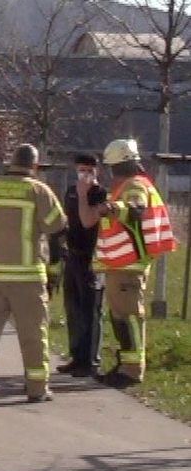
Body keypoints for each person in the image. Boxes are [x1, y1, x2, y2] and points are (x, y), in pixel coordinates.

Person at [0, 144, 67, 407]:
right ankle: (36, 388)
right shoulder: (39, 191)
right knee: (33, 335)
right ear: (35, 166)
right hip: (28, 278)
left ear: (11, 163)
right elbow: (57, 234)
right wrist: (54, 274)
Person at [77, 138, 175, 389]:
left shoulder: (133, 185)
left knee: (128, 316)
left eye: (112, 167)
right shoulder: (130, 184)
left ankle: (132, 370)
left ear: (120, 165)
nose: (111, 172)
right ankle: (125, 364)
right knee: (120, 316)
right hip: (122, 264)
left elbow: (136, 208)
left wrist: (112, 207)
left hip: (129, 264)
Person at [55, 153, 107, 378]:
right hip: (73, 255)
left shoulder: (99, 194)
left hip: (92, 257)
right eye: (81, 170)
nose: (84, 174)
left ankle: (90, 361)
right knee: (73, 309)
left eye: (89, 170)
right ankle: (77, 357)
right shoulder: (70, 191)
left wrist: (85, 194)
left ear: (97, 172)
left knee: (90, 310)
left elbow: (88, 221)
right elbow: (68, 219)